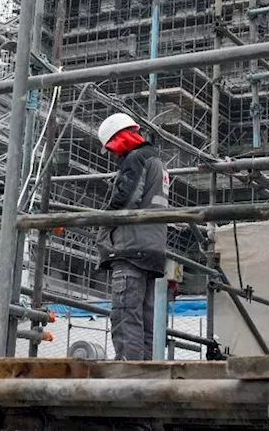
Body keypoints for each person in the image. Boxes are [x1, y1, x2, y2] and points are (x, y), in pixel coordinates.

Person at [95, 112, 169, 361]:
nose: (116, 156)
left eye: (114, 150)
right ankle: (144, 376)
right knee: (145, 322)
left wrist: (104, 224)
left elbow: (125, 200)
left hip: (131, 248)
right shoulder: (157, 162)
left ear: (119, 139)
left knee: (126, 317)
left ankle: (127, 377)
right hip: (153, 249)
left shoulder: (136, 159)